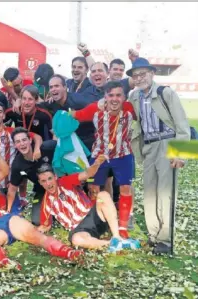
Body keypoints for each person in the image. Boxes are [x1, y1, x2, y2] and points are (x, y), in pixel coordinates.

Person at [127, 58, 191, 254]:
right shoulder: (134, 97)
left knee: (166, 192)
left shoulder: (166, 93)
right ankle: (153, 235)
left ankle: (166, 239)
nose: (139, 78)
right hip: (148, 146)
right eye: (135, 75)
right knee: (149, 192)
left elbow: (182, 124)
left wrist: (181, 155)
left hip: (167, 143)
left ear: (152, 74)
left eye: (143, 74)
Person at [70, 80, 137, 239]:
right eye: (111, 95)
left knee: (125, 189)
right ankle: (96, 221)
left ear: (124, 97)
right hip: (99, 156)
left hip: (123, 155)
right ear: (105, 96)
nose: (114, 99)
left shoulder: (130, 108)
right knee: (94, 188)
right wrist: (59, 128)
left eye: (118, 95)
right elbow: (73, 115)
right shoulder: (95, 108)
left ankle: (122, 227)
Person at [36, 160, 141, 252]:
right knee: (76, 240)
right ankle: (112, 244)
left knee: (103, 195)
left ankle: (117, 236)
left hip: (92, 215)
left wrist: (97, 163)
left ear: (55, 177)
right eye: (44, 181)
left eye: (50, 178)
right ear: (40, 183)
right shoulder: (46, 203)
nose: (48, 183)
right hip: (79, 228)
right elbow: (45, 226)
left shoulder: (64, 181)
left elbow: (86, 174)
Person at [7, 127, 54, 225]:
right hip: (42, 191)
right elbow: (12, 189)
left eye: (24, 140)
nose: (22, 144)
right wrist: (8, 211)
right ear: (15, 145)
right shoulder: (17, 165)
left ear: (30, 140)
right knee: (37, 221)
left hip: (60, 186)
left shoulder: (46, 148)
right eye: (18, 142)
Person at [41, 74, 96, 151]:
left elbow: (96, 111)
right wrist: (19, 101)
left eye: (57, 86)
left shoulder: (78, 101)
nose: (53, 89)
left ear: (65, 87)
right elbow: (36, 106)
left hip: (87, 142)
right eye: (51, 87)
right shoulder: (52, 103)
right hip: (68, 144)